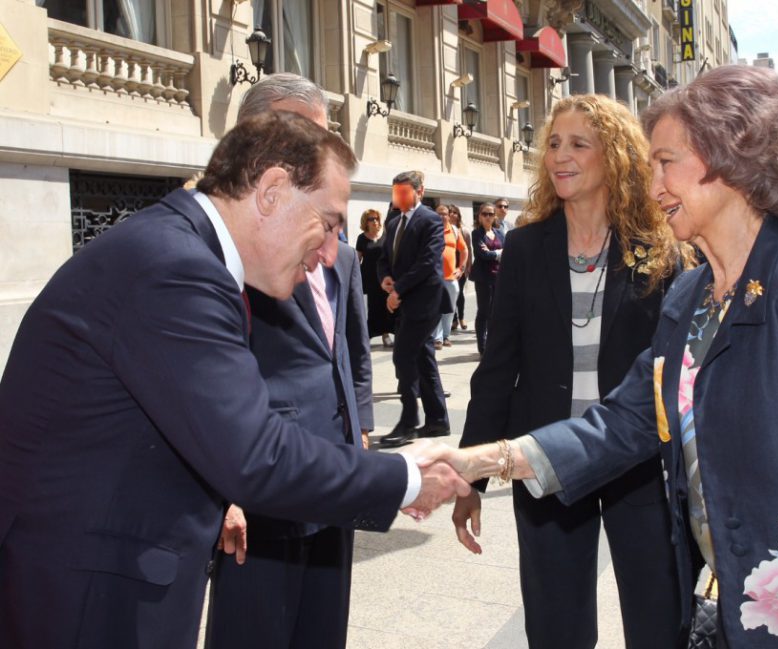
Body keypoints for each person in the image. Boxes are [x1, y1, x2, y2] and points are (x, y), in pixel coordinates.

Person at [436, 66, 778, 649]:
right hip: (724, 611)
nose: (651, 187)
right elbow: (625, 422)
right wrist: (480, 460)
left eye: (666, 163)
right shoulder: (690, 296)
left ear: (732, 161)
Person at [0, 112, 469, 649]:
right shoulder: (175, 268)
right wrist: (408, 477)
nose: (327, 253)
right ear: (271, 191)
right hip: (86, 593)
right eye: (330, 223)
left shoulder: (183, 253)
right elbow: (255, 456)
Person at [452, 94, 685, 649]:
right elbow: (498, 366)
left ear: (617, 157)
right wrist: (471, 475)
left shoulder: (659, 249)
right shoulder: (527, 247)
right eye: (554, 143)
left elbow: (672, 377)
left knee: (658, 621)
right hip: (547, 459)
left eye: (580, 144)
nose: (561, 155)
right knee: (556, 627)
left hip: (638, 464)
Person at [204, 74, 377, 649]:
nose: (315, 152)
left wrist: (362, 428)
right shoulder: (222, 254)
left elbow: (349, 349)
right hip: (263, 492)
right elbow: (201, 388)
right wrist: (221, 492)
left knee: (323, 631)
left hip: (335, 475)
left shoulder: (340, 254)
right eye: (297, 134)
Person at [376, 170, 452, 447]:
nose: (399, 197)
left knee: (402, 357)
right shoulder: (394, 222)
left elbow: (427, 263)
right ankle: (438, 420)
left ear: (420, 192)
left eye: (405, 192)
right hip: (406, 301)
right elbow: (385, 257)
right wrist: (384, 278)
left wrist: (399, 290)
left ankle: (408, 421)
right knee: (422, 358)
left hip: (425, 301)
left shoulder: (430, 220)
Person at [469, 202, 505, 355]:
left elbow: (507, 252)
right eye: (485, 214)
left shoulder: (500, 233)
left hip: (498, 277)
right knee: (484, 311)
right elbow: (482, 255)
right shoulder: (477, 234)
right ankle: (482, 347)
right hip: (483, 278)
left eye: (491, 214)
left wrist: (494, 252)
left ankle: (493, 344)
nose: (488, 217)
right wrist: (498, 253)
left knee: (495, 312)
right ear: (479, 216)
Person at [356, 208, 395, 347]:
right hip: (369, 277)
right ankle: (368, 335)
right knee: (373, 307)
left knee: (386, 306)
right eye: (371, 219)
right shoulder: (362, 238)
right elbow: (357, 259)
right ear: (365, 222)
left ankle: (386, 335)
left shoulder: (386, 236)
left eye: (376, 218)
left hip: (385, 276)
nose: (374, 221)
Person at [433, 204, 468, 350]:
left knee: (450, 308)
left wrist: (461, 268)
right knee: (436, 308)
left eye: (445, 214)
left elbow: (464, 249)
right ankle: (437, 338)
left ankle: (446, 336)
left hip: (451, 278)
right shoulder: (431, 230)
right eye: (439, 214)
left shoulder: (454, 230)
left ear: (449, 215)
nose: (442, 216)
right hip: (435, 277)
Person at [448, 204, 472, 332]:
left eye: (454, 212)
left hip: (460, 267)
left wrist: (467, 267)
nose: (452, 214)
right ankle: (454, 319)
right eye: (450, 212)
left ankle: (461, 317)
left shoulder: (464, 231)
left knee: (460, 293)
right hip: (448, 268)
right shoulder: (443, 230)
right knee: (450, 294)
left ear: (458, 215)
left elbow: (468, 250)